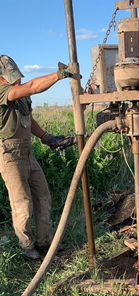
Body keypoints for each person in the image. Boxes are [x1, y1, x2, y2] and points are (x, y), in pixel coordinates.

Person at [0, 55, 75, 259]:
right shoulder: (3, 92)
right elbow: (33, 86)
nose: (15, 81)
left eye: (15, 77)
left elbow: (28, 119)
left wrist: (46, 137)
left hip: (26, 151)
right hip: (8, 153)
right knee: (22, 202)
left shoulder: (19, 95)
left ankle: (45, 241)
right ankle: (26, 246)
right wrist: (59, 75)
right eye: (9, 78)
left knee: (43, 195)